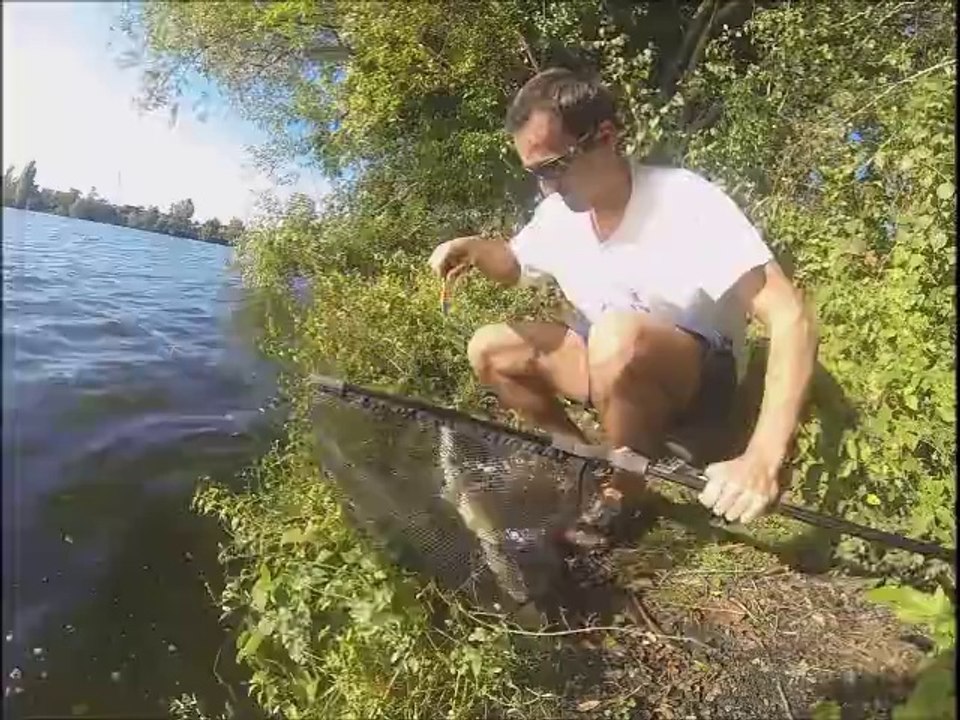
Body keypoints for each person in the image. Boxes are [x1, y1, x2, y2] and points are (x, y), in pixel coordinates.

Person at [428, 67, 818, 547]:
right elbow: (512, 264)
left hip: (699, 378)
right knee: (489, 348)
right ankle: (583, 459)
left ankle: (625, 491)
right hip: (609, 360)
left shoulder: (684, 200)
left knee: (616, 336)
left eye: (554, 167)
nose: (546, 187)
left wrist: (762, 457)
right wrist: (473, 246)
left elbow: (789, 316)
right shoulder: (559, 216)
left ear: (605, 137)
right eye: (534, 174)